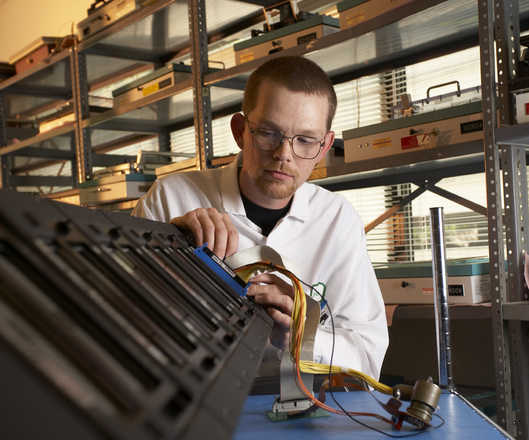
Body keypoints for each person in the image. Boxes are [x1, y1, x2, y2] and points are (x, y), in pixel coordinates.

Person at [132, 56, 388, 380]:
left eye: (306, 140)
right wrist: (170, 253)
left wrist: (302, 337)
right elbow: (122, 325)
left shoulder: (338, 221)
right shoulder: (171, 198)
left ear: (324, 147)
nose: (284, 154)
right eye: (269, 132)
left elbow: (367, 355)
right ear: (240, 131)